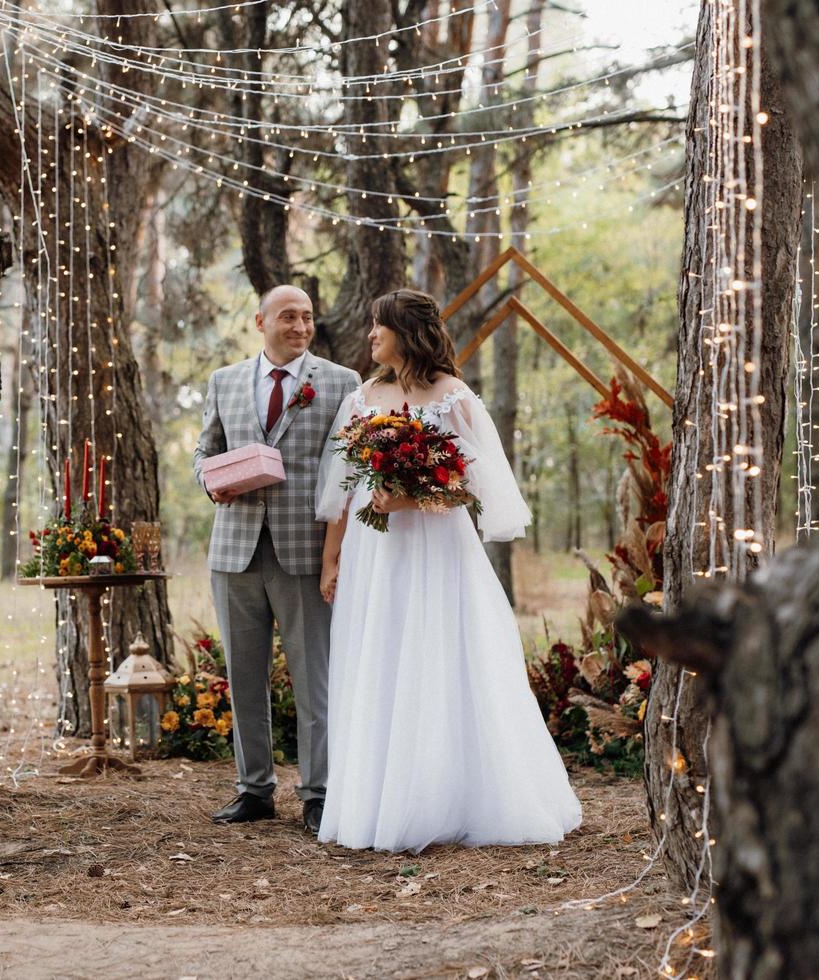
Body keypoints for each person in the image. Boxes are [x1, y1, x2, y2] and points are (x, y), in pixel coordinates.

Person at [315, 288, 581, 852]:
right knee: (380, 654)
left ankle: (451, 794)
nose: (370, 336)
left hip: (436, 550)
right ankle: (380, 796)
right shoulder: (363, 397)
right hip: (373, 551)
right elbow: (342, 487)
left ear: (404, 333)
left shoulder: (452, 396)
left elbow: (472, 488)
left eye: (377, 326)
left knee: (441, 655)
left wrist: (411, 500)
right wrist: (331, 556)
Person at [193, 285, 361, 834]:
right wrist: (210, 482)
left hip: (305, 552)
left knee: (314, 678)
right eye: (288, 316)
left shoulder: (341, 383)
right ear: (260, 320)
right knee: (244, 678)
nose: (300, 325)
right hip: (234, 551)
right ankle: (254, 790)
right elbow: (205, 450)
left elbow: (349, 468)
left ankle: (318, 793)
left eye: (307, 317)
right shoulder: (224, 381)